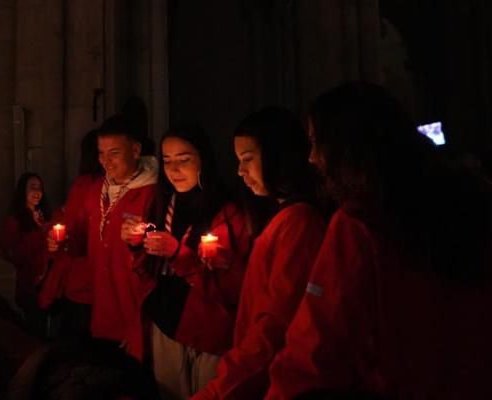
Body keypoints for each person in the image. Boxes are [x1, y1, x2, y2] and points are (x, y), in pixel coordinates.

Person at [267, 82, 492, 399]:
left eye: (317, 143)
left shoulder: (360, 225)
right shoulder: (475, 203)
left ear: (346, 146)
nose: (312, 158)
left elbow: (317, 348)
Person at [192, 107, 326, 400]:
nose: (240, 172)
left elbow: (276, 324)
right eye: (239, 161)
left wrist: (218, 392)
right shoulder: (281, 218)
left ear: (278, 154)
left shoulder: (299, 223)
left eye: (248, 160)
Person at [121, 125, 252, 399]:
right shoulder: (161, 202)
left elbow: (233, 282)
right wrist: (137, 243)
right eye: (167, 161)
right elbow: (148, 266)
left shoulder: (225, 210)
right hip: (165, 319)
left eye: (184, 159)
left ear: (203, 159)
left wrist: (178, 253)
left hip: (208, 323)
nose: (174, 169)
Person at [49, 115, 158, 345]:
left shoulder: (153, 193)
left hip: (136, 313)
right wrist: (61, 242)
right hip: (101, 311)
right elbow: (79, 243)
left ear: (135, 150)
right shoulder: (96, 189)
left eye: (114, 153)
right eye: (101, 153)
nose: (106, 161)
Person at [38, 129, 103, 338]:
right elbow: (73, 228)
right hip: (84, 282)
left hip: (88, 284)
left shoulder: (89, 185)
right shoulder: (87, 185)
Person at [0, 172, 52, 336]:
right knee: (35, 332)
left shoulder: (43, 217)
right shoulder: (15, 220)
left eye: (40, 188)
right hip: (30, 286)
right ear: (23, 191)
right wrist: (40, 234)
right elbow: (13, 254)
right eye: (32, 187)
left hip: (48, 284)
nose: (37, 192)